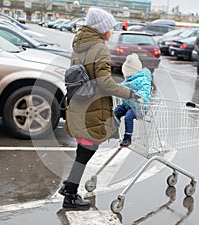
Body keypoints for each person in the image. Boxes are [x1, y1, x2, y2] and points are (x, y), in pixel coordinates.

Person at [58, 7, 139, 209]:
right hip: (92, 106)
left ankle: (69, 186)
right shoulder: (100, 48)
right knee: (87, 149)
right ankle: (70, 193)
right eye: (110, 28)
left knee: (84, 148)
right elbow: (105, 83)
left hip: (79, 104)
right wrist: (129, 93)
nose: (112, 31)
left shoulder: (79, 45)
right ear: (101, 29)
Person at [114, 53, 152, 147]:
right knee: (116, 112)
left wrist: (133, 96)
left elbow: (144, 94)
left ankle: (128, 137)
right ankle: (114, 131)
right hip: (128, 105)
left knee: (128, 116)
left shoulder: (143, 80)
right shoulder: (128, 80)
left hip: (140, 107)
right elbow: (121, 86)